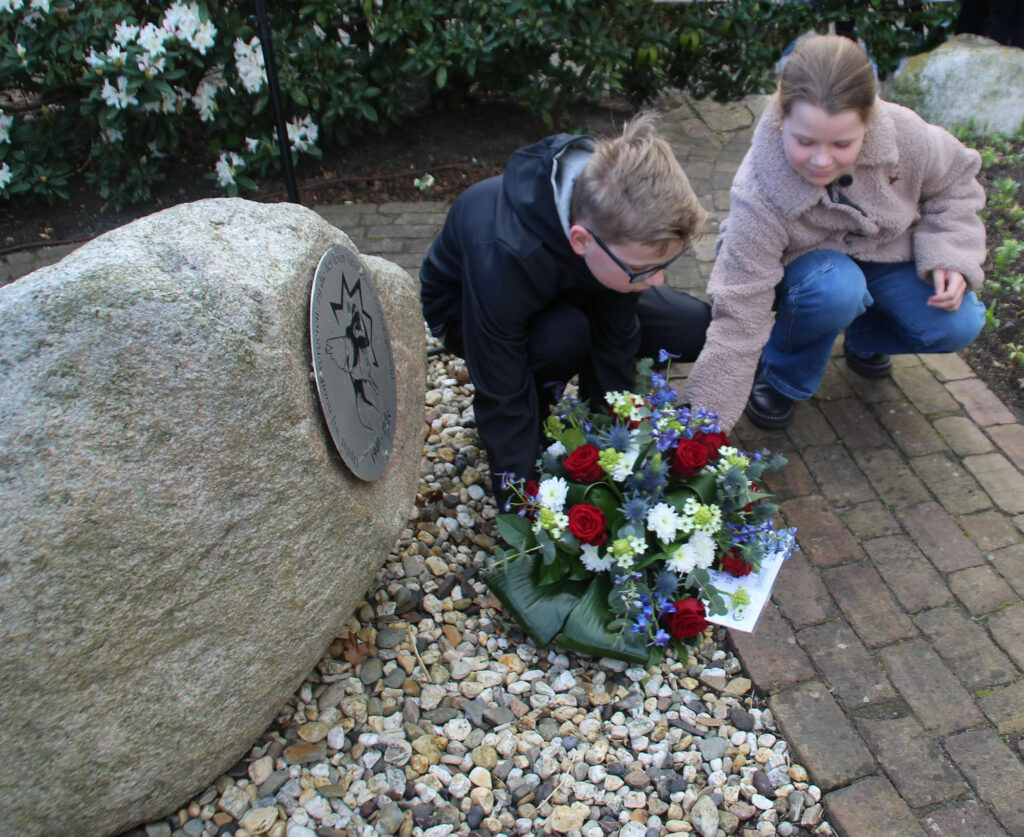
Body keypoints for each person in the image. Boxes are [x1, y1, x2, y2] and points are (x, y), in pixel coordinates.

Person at [682, 33, 986, 431]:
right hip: (810, 278)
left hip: (886, 257)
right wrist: (700, 432)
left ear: (869, 121)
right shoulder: (758, 189)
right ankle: (781, 376)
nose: (821, 160)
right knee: (835, 289)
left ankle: (863, 339)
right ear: (780, 120)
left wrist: (950, 252)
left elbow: (956, 182)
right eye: (804, 141)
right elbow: (738, 314)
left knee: (960, 323)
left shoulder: (907, 135)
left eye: (842, 143)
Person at [420, 112, 711, 495]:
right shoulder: (503, 254)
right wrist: (521, 500)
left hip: (576, 278)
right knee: (566, 335)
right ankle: (541, 403)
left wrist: (613, 446)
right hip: (470, 310)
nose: (658, 280)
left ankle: (589, 402)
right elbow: (500, 389)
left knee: (690, 325)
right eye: (644, 268)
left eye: (664, 265)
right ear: (580, 240)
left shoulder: (610, 212)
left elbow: (617, 332)